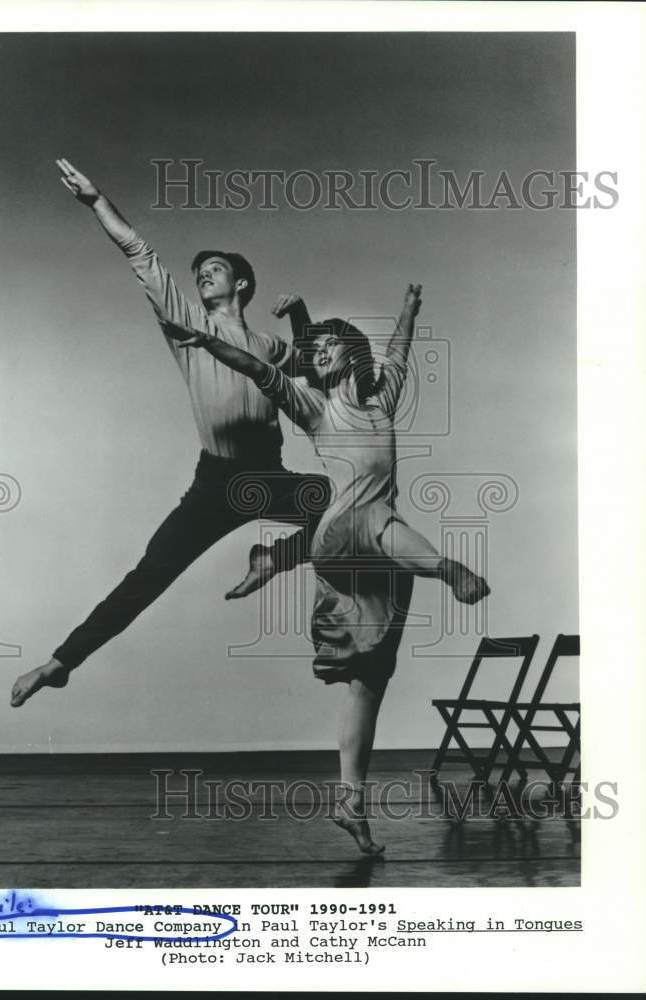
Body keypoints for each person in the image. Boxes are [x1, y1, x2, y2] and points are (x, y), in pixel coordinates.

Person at [161, 284, 489, 853]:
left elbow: (399, 354)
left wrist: (408, 310)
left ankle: (350, 802)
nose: (317, 353)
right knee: (379, 515)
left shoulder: (381, 401)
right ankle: (446, 568)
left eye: (328, 346)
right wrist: (210, 343)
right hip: (347, 531)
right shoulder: (313, 406)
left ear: (353, 354)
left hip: (377, 559)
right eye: (314, 350)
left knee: (370, 681)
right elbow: (258, 369)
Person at [10, 160, 329, 708]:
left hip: (267, 478)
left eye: (214, 269)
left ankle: (274, 560)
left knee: (344, 500)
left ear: (241, 283)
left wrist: (300, 313)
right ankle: (60, 663)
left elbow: (317, 368)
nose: (203, 274)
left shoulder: (269, 345)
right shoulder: (187, 326)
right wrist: (97, 201)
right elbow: (141, 254)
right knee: (152, 573)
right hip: (216, 482)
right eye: (199, 271)